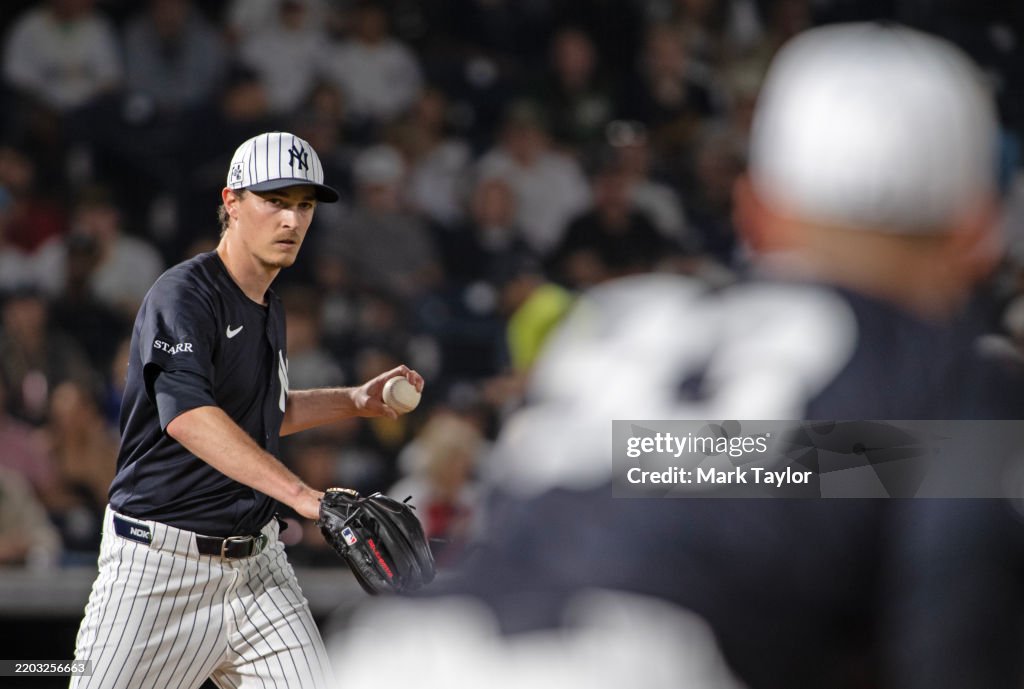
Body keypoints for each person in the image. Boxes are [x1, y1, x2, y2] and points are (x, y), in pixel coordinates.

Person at [327, 24, 1022, 689]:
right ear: (980, 232)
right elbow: (953, 644)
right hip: (636, 663)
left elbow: (683, 485)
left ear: (756, 211)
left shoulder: (618, 317)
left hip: (398, 651)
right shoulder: (946, 377)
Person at [71, 131, 423, 689]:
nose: (292, 220)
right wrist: (307, 499)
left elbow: (263, 413)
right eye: (275, 201)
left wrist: (355, 401)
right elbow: (189, 417)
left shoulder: (268, 305)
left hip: (259, 570)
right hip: (159, 572)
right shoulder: (184, 294)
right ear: (231, 202)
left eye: (303, 205)